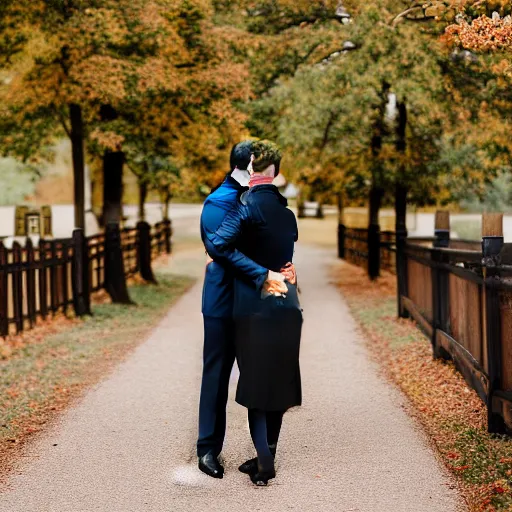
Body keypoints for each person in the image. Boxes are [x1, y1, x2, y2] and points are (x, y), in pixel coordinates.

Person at [203, 140, 302, 486]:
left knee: (262, 375)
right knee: (216, 375)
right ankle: (208, 448)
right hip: (222, 302)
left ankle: (264, 452)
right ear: (248, 167)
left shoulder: (266, 203)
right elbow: (220, 249)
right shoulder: (218, 202)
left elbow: (275, 245)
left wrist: (286, 272)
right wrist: (265, 274)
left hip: (257, 303)